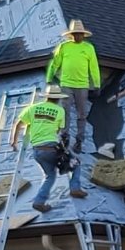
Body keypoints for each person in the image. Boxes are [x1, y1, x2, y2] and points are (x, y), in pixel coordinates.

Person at [10, 85, 88, 213]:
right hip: (52, 148)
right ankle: (75, 188)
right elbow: (59, 130)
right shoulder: (59, 110)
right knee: (76, 163)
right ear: (57, 99)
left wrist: (13, 141)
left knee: (50, 176)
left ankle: (39, 202)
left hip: (37, 151)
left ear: (46, 97)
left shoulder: (33, 108)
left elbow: (18, 124)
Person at [45, 19, 100, 153]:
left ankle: (79, 140)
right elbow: (55, 63)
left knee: (82, 114)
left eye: (80, 34)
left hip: (82, 85)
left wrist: (97, 84)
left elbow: (94, 67)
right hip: (66, 84)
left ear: (83, 34)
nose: (78, 36)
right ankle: (65, 136)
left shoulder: (88, 48)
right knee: (65, 111)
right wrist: (49, 78)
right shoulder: (64, 47)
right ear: (71, 35)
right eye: (75, 34)